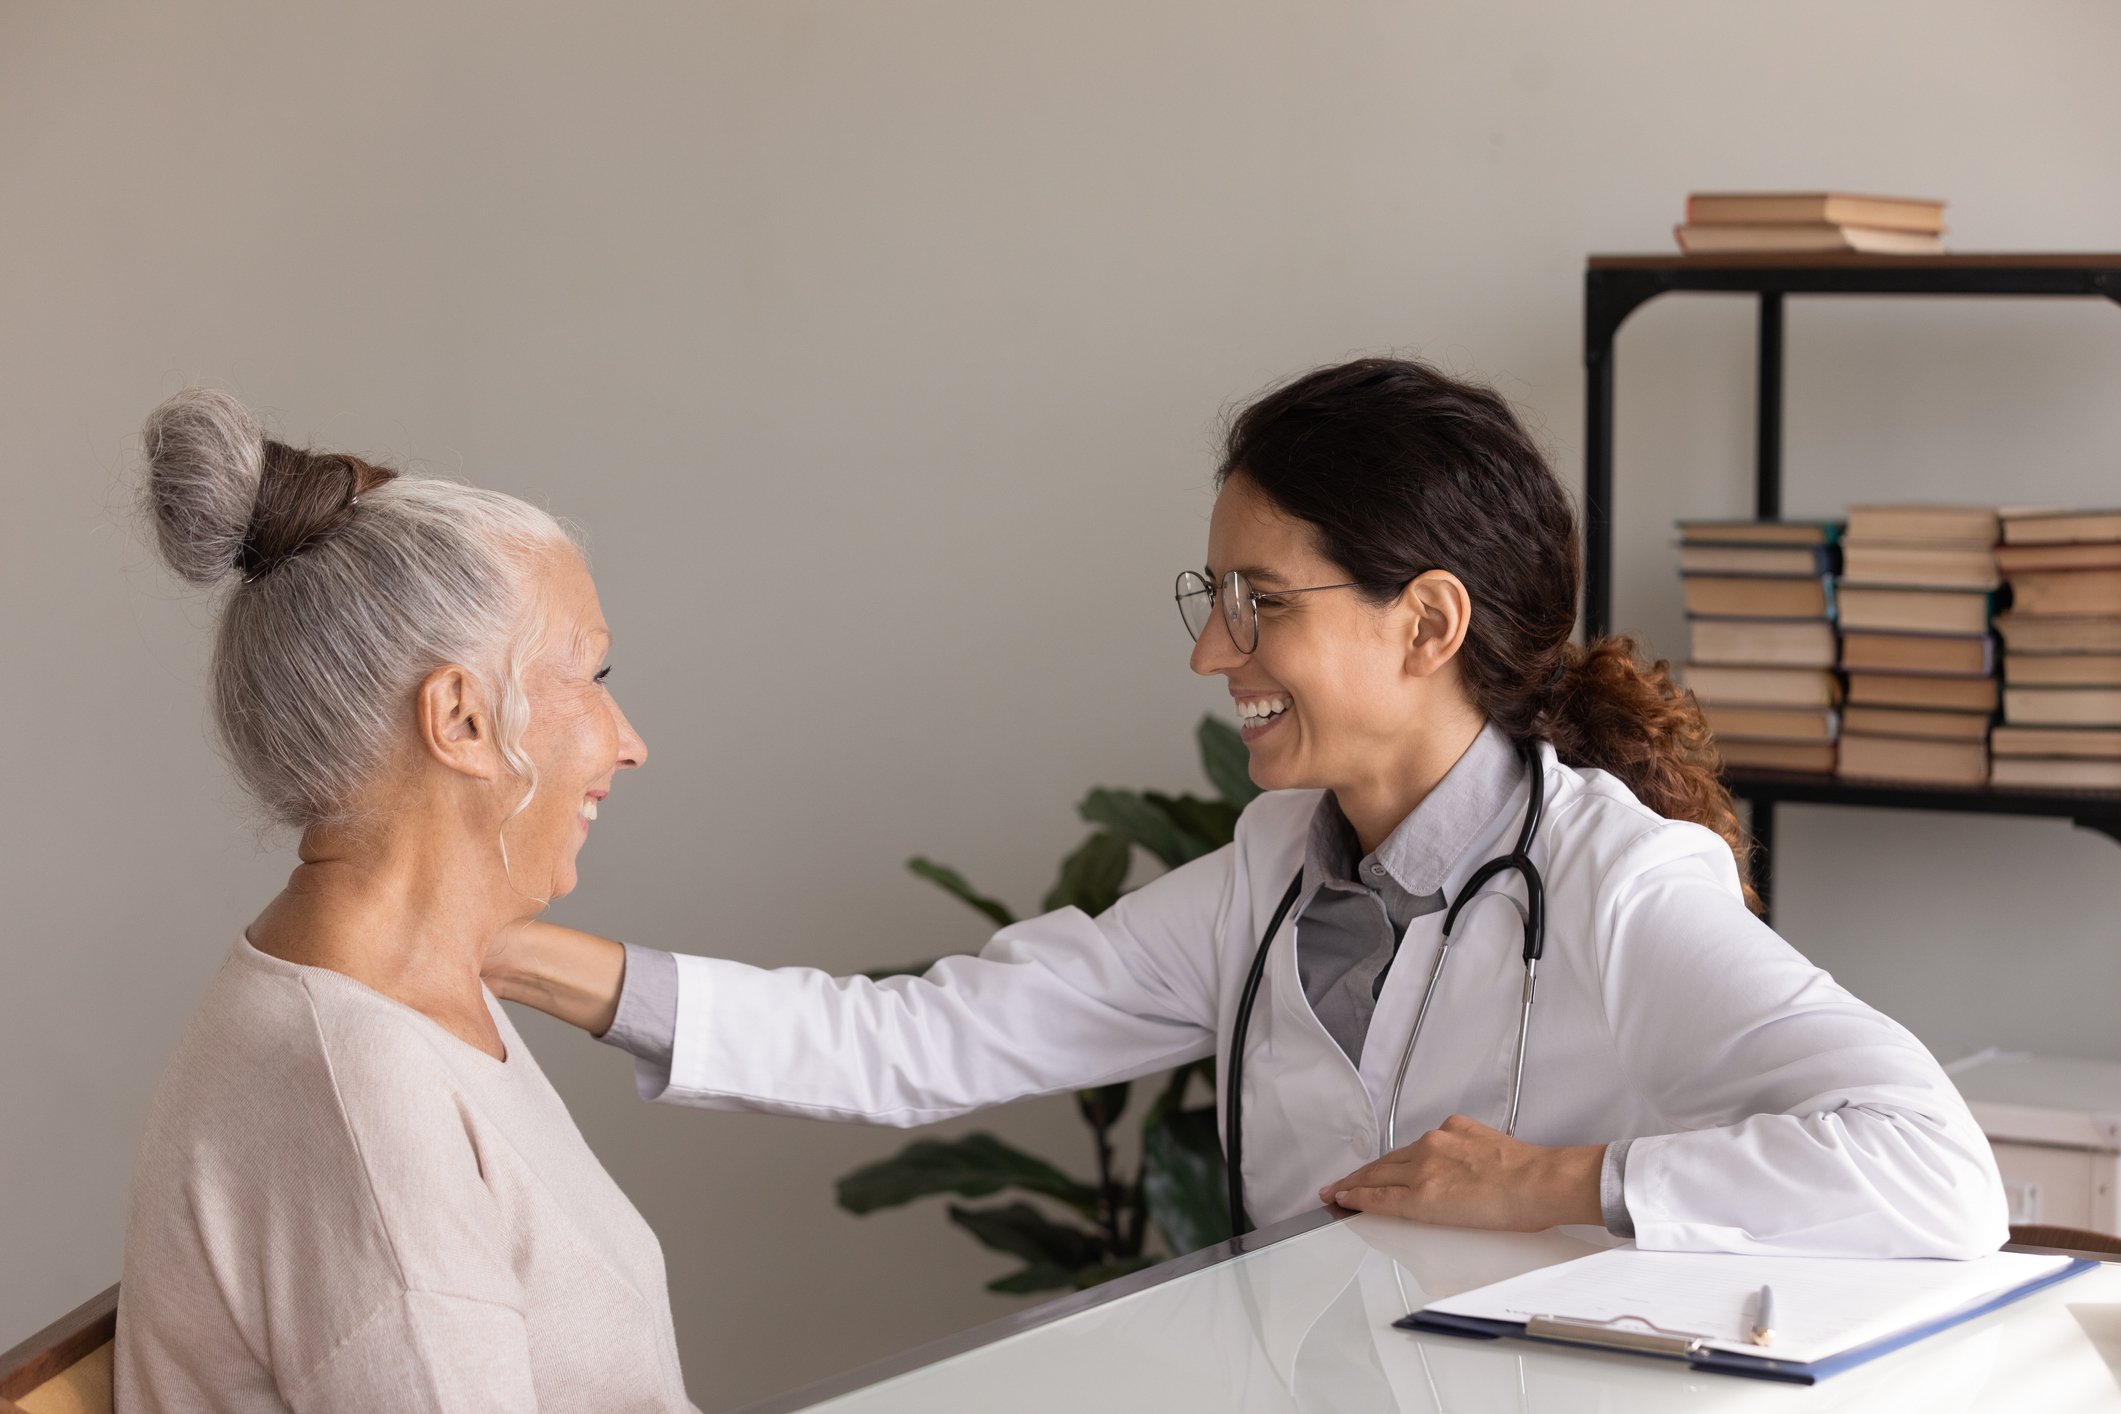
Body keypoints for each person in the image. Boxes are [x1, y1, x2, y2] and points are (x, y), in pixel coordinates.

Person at [487, 357, 2007, 1257]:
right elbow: (916, 1037)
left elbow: (1935, 1173)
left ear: (1424, 624)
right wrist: (511, 949)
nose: (1213, 651)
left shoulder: (1612, 879)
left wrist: (1554, 1181)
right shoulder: (1267, 873)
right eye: (1212, 597)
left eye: (1256, 601)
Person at [117, 391, 697, 1412]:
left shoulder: (408, 1005)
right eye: (592, 673)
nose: (628, 739)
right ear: (463, 719)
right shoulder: (358, 1090)